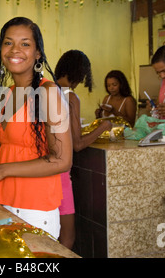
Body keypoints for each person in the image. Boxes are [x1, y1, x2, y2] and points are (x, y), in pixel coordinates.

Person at [0, 17, 73, 239]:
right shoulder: (7, 95)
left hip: (34, 209)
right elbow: (17, 148)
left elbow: (62, 160)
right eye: (8, 42)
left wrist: (1, 170)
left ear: (37, 53)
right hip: (4, 202)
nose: (15, 50)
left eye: (25, 44)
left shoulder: (48, 92)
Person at [54, 49, 112, 249]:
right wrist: (102, 127)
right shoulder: (70, 97)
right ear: (80, 74)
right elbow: (77, 144)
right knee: (67, 238)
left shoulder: (46, 91)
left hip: (42, 170)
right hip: (60, 174)